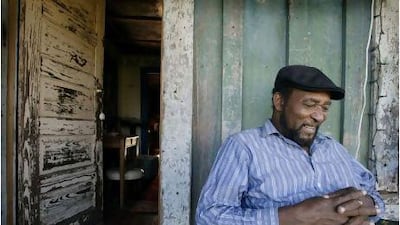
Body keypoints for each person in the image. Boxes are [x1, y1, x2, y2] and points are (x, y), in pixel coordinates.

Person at [196, 65, 384, 225]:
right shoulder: (245, 147)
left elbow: (372, 193)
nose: (319, 116)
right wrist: (293, 215)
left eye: (325, 108)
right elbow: (208, 216)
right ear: (279, 101)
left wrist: (365, 208)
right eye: (310, 104)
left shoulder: (333, 148)